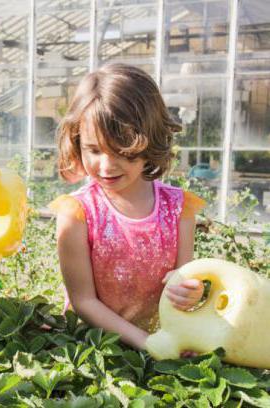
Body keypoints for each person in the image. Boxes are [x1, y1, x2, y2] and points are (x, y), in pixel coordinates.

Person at [49, 63, 206, 352]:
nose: (106, 166)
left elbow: (183, 280)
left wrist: (189, 292)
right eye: (94, 150)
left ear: (151, 141)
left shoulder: (178, 208)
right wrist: (147, 344)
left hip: (159, 344)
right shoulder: (78, 213)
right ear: (77, 141)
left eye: (122, 151)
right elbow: (84, 301)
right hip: (91, 348)